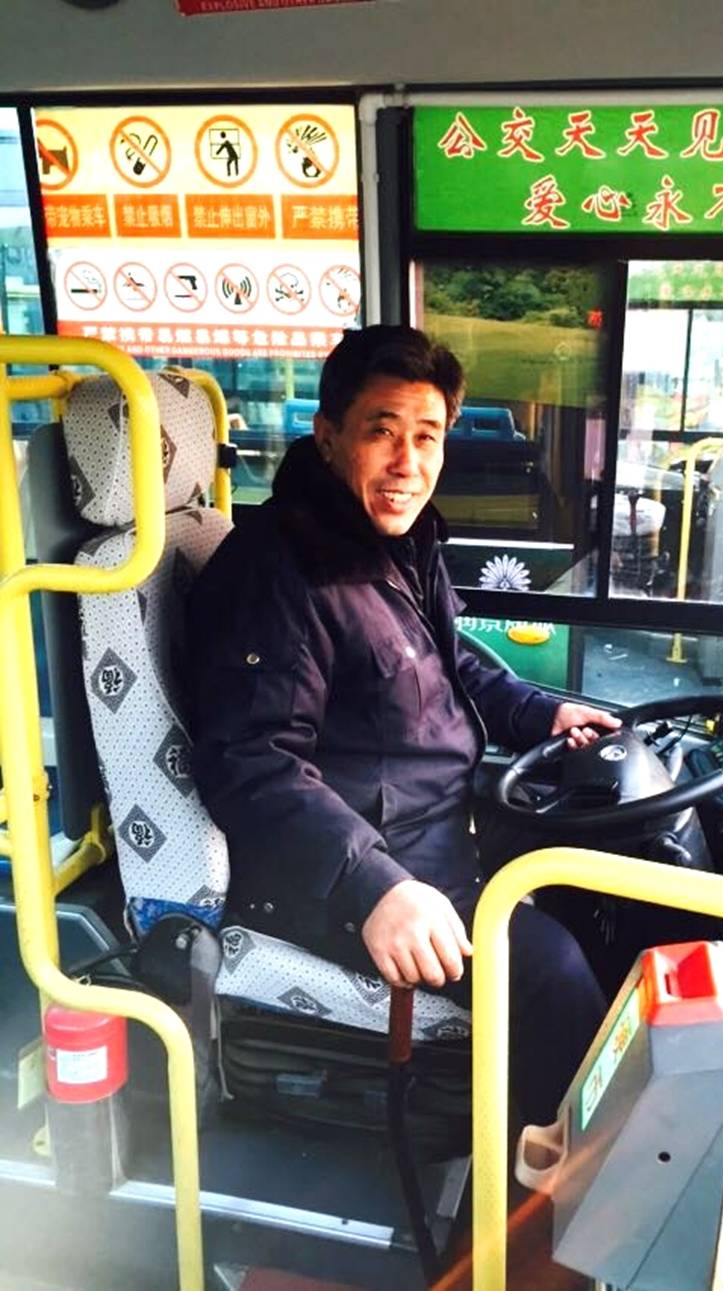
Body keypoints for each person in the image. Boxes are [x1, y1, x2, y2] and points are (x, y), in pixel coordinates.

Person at [186, 325, 619, 1124]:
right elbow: (252, 761)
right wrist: (375, 885)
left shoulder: (396, 540)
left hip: (440, 827)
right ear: (328, 436)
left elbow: (454, 663)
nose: (407, 463)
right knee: (551, 969)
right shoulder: (280, 573)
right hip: (344, 871)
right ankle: (558, 1186)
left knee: (607, 887)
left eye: (426, 436)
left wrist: (542, 711)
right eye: (381, 432)